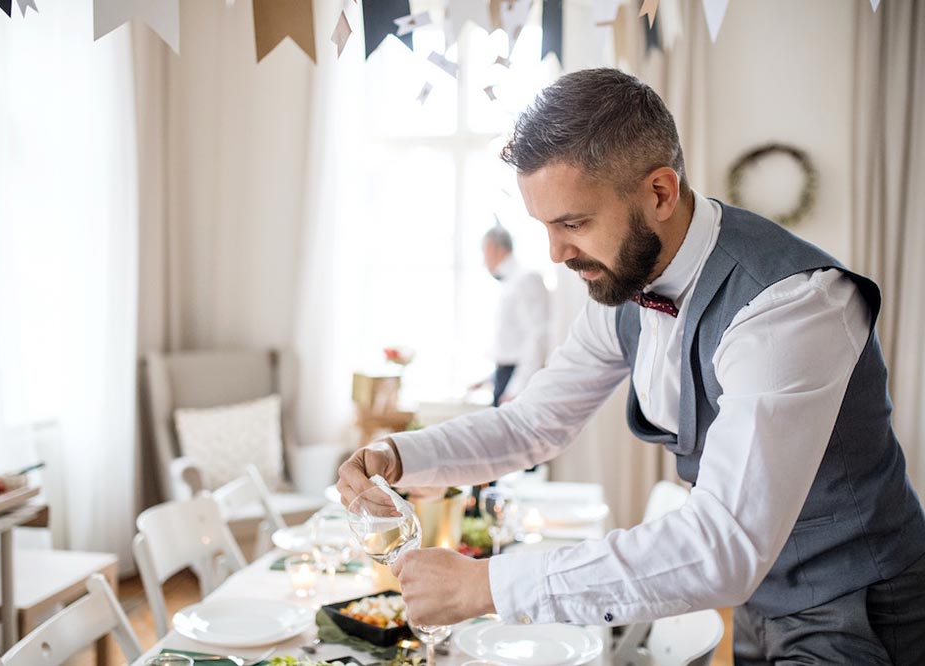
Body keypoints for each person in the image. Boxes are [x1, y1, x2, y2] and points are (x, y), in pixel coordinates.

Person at [337, 68, 925, 665]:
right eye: (545, 227)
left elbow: (723, 545)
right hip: (758, 601)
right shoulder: (625, 282)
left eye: (574, 223)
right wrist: (402, 455)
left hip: (861, 608)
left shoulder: (790, 305)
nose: (557, 253)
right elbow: (534, 422)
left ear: (660, 193)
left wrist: (485, 585)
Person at [471, 224, 549, 406]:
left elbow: (538, 335)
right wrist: (489, 380)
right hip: (504, 376)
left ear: (493, 249)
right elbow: (511, 343)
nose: (483, 262)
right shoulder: (508, 283)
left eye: (484, 253)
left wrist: (516, 389)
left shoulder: (527, 278)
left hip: (516, 382)